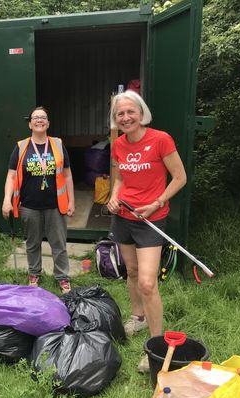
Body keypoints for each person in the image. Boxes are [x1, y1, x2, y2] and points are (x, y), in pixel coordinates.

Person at [106, 90, 187, 372]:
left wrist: (157, 203)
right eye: (120, 114)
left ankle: (156, 347)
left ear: (141, 113)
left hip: (151, 219)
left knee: (148, 283)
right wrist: (113, 197)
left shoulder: (161, 139)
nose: (125, 117)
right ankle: (137, 317)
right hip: (124, 217)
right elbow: (119, 180)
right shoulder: (117, 144)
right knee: (132, 272)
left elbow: (180, 177)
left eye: (130, 112)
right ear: (115, 119)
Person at [2, 107, 75, 294]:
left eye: (43, 118)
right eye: (36, 118)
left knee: (59, 244)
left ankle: (62, 277)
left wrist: (72, 202)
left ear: (48, 123)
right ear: (30, 124)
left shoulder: (58, 145)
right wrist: (6, 200)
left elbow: (67, 175)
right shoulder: (21, 147)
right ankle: (34, 273)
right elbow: (11, 175)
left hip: (56, 205)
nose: (39, 120)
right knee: (32, 243)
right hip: (29, 205)